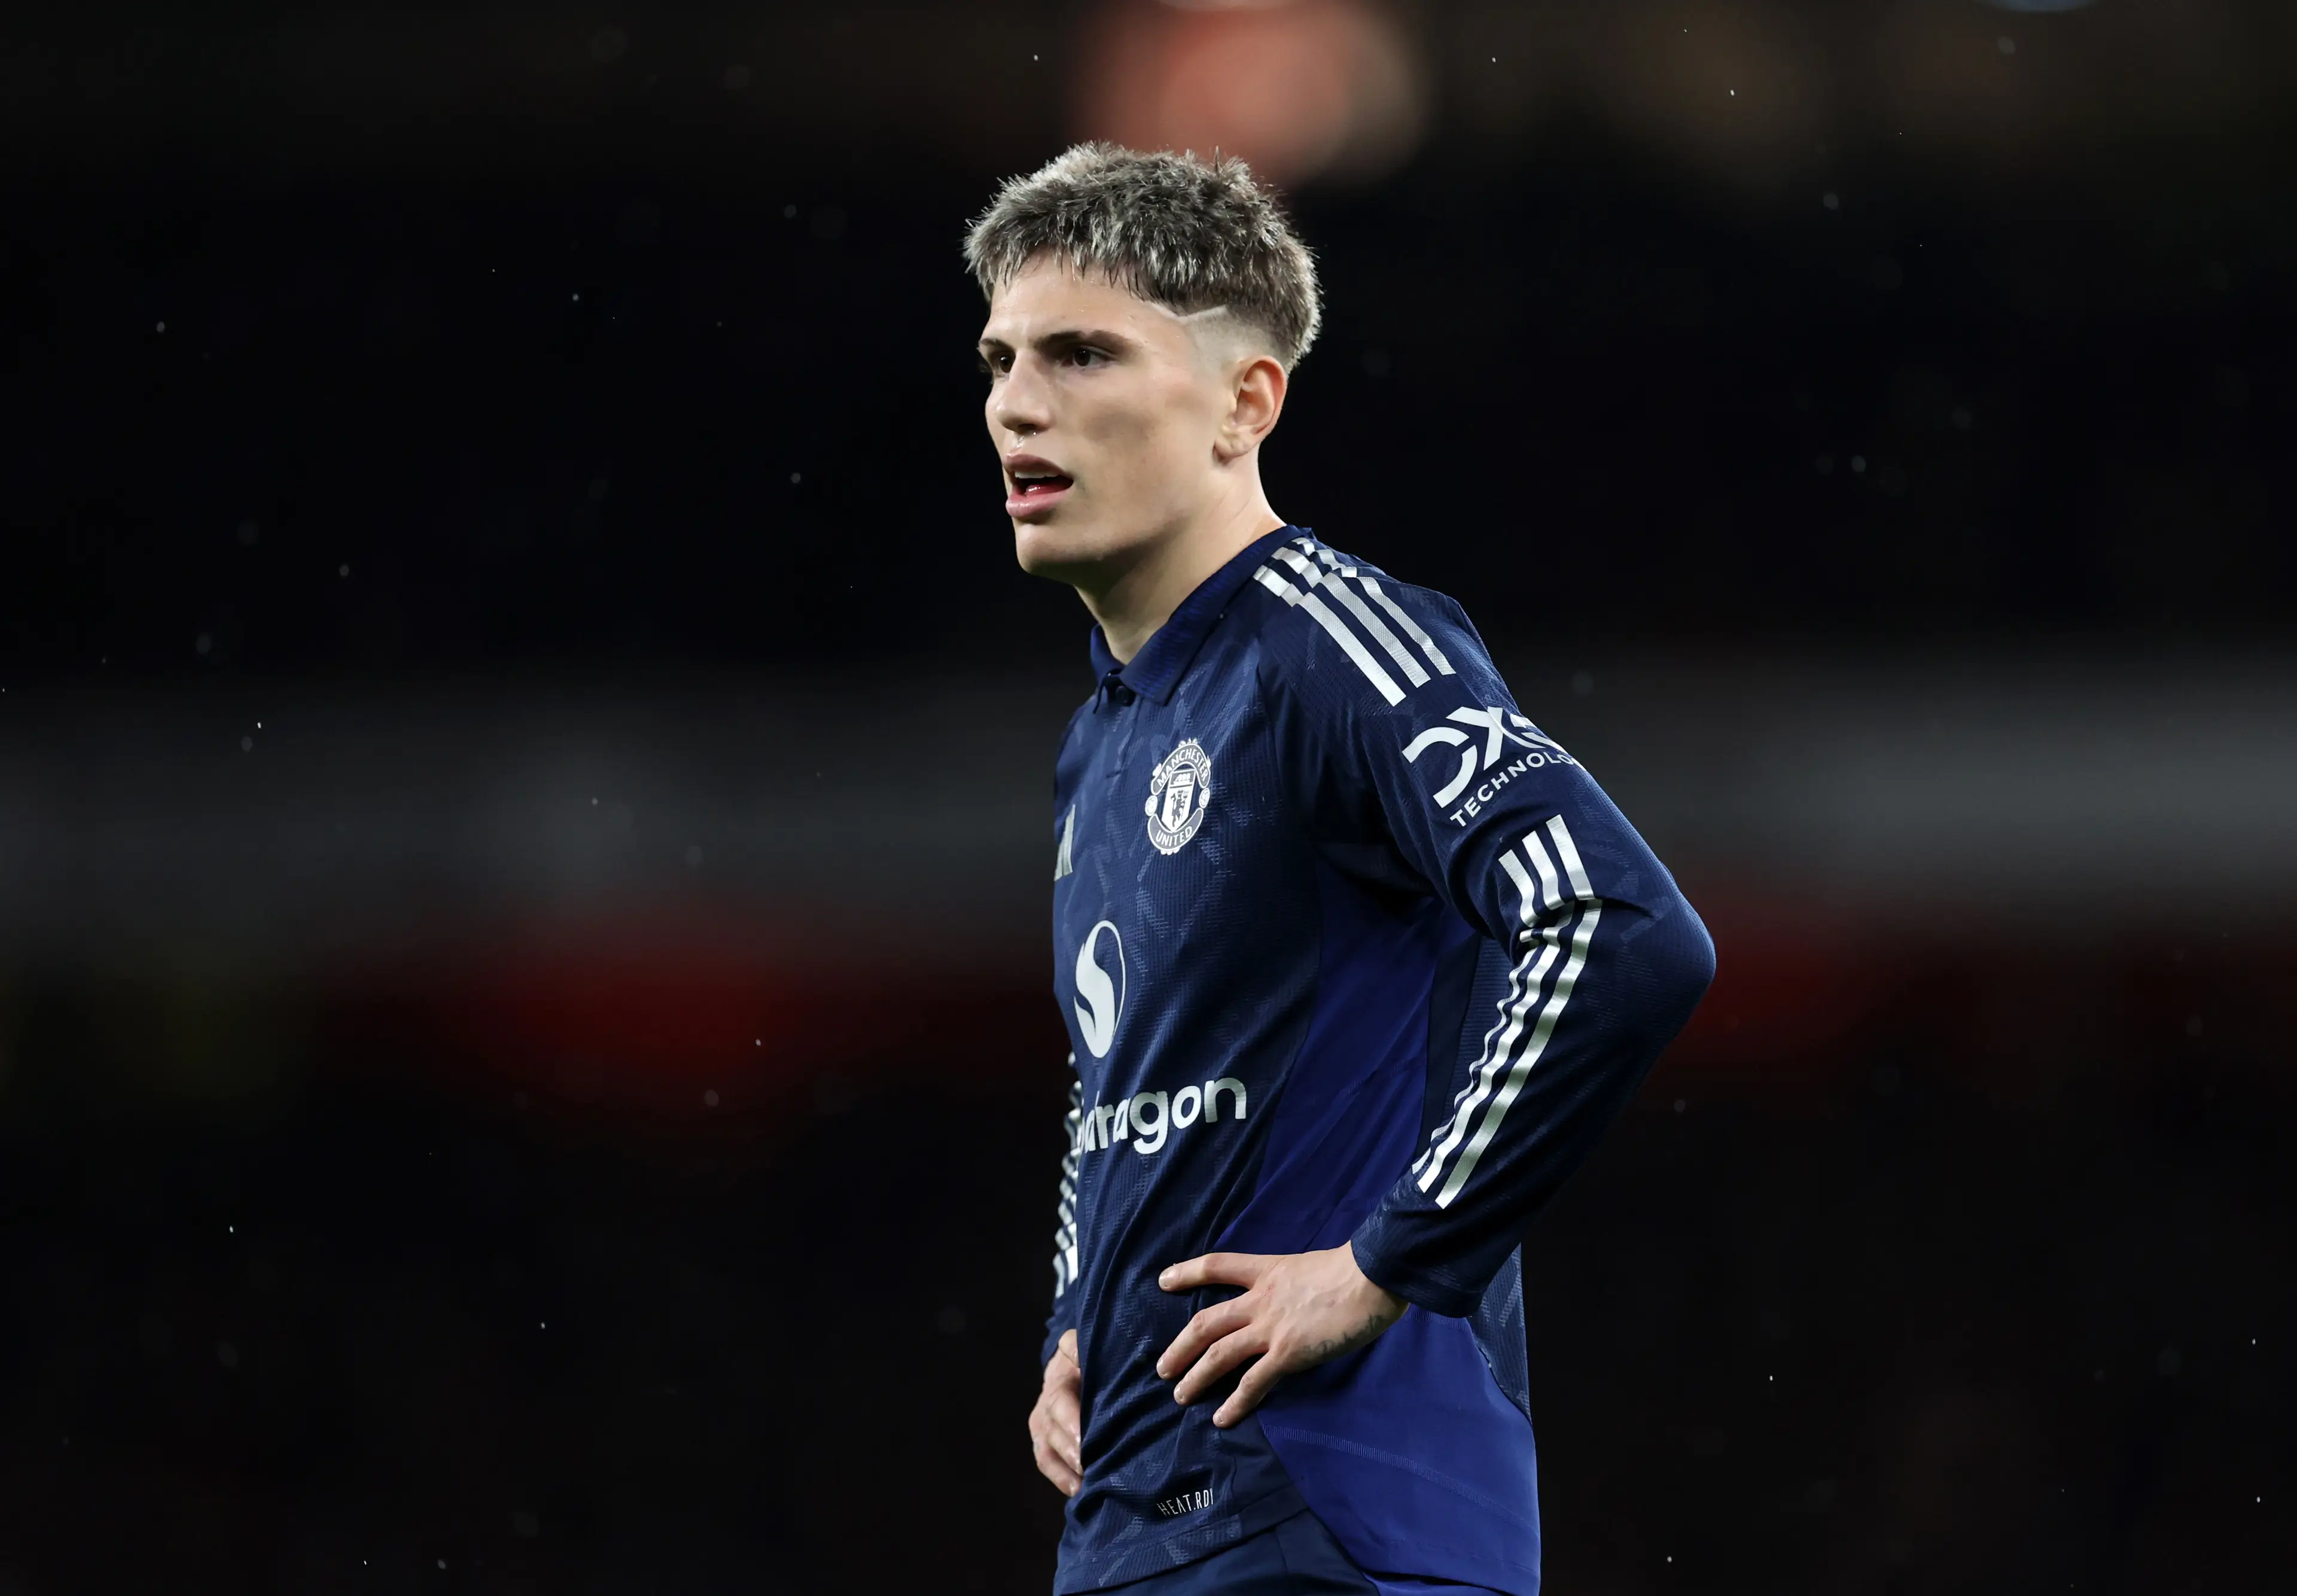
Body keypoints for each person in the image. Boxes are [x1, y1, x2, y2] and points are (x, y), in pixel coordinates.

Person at [968, 144, 1714, 1596]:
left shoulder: (1331, 642)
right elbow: (1114, 1075)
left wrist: (1383, 1261)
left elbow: (1615, 926)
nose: (1014, 400)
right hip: (1142, 1522)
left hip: (1339, 1527)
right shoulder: (1102, 742)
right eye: (1000, 356)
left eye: (1081, 352)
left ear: (1248, 402)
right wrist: (1081, 1314)